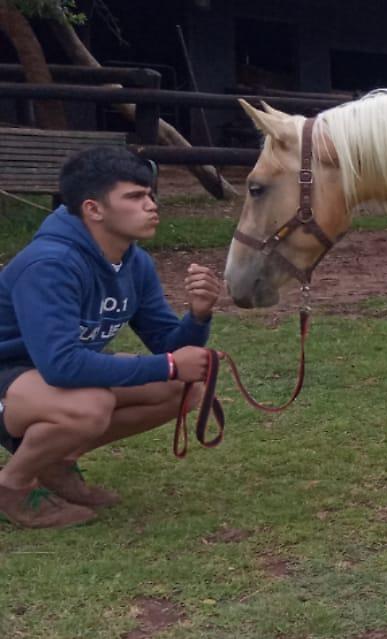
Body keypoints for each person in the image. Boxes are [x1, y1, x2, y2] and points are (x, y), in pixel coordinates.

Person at [0, 146, 224, 528]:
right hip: (14, 377)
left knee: (184, 390)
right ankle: (12, 485)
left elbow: (166, 345)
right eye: (135, 197)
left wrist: (198, 315)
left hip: (47, 380)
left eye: (150, 194)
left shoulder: (134, 261)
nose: (151, 205)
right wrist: (170, 365)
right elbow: (62, 366)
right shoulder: (50, 264)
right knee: (91, 405)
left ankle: (55, 463)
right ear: (94, 209)